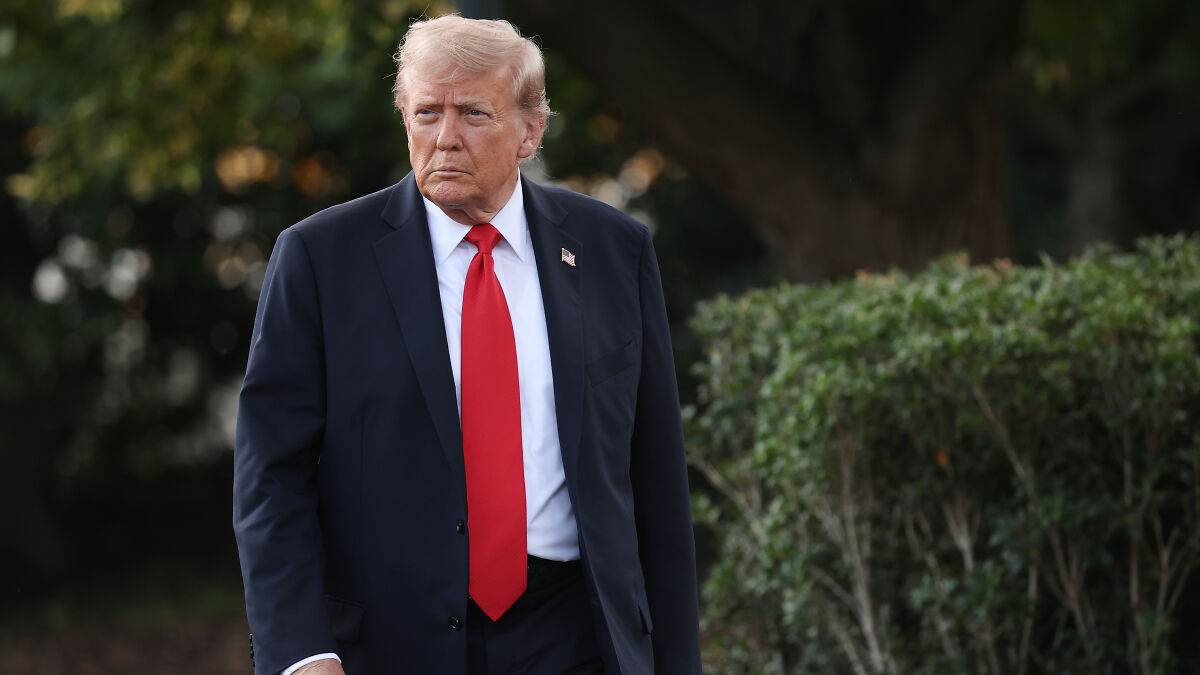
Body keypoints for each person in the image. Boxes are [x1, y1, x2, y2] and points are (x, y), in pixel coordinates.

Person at [233, 14, 700, 675]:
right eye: (426, 113)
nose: (445, 138)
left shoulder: (611, 251)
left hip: (576, 633)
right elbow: (270, 479)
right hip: (390, 643)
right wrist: (302, 652)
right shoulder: (320, 259)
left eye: (473, 114)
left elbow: (656, 480)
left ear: (529, 132)